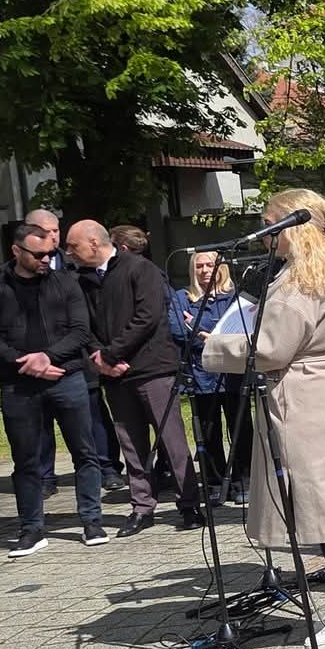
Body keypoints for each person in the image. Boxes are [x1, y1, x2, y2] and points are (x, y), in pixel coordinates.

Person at [204, 189, 325, 649]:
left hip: (302, 399)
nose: (265, 233)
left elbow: (269, 350)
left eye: (272, 224)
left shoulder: (300, 282)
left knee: (324, 506)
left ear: (295, 228)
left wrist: (213, 347)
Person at [0, 220, 107, 555]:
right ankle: (32, 528)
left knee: (85, 452)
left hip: (67, 378)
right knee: (26, 459)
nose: (46, 259)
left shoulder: (66, 283)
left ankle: (91, 520)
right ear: (16, 251)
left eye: (50, 252)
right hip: (19, 385)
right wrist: (24, 362)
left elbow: (80, 331)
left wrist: (46, 357)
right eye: (38, 254)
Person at [65, 219, 202, 535]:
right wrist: (100, 358)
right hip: (114, 375)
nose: (68, 252)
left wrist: (112, 354)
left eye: (73, 245)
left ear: (94, 243)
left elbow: (147, 317)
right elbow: (83, 325)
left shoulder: (140, 269)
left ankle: (189, 504)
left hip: (152, 368)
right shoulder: (82, 280)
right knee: (131, 442)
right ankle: (142, 506)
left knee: (171, 440)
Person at [169, 250, 245, 505]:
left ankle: (242, 481)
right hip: (202, 377)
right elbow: (178, 331)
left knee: (241, 430)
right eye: (199, 266)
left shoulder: (234, 296)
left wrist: (200, 328)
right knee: (208, 433)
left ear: (220, 267)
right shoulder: (182, 297)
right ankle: (215, 483)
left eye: (209, 265)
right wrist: (217, 334)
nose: (204, 270)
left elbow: (241, 332)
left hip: (233, 375)